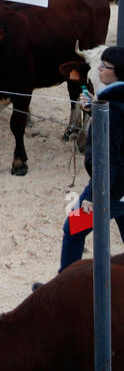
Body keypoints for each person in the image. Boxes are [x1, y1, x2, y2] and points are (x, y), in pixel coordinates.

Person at [58, 46, 124, 272]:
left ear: (117, 72)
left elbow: (110, 157)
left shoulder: (113, 108)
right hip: (120, 188)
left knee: (73, 230)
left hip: (109, 188)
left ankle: (65, 284)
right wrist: (94, 108)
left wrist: (96, 196)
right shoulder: (112, 102)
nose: (99, 68)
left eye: (105, 66)